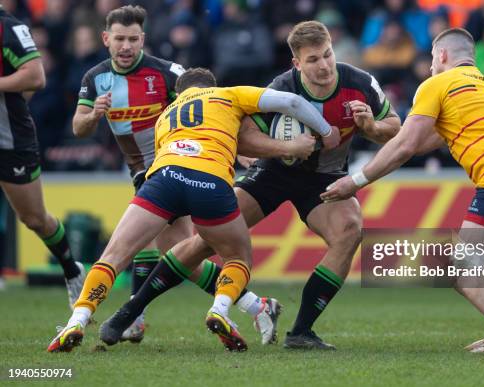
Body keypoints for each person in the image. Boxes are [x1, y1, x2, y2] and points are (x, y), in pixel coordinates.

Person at [100, 20, 401, 351]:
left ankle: (301, 331)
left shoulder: (359, 83)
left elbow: (394, 127)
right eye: (313, 60)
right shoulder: (281, 88)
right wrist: (286, 148)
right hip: (273, 174)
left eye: (327, 55)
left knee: (350, 231)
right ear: (297, 64)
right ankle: (130, 310)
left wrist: (371, 126)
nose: (324, 65)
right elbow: (242, 137)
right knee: (205, 241)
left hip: (326, 177)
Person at [47, 67, 339, 353]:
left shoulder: (165, 116)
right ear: (209, 85)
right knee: (237, 257)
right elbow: (291, 101)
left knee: (113, 256)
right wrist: (323, 132)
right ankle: (221, 309)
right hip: (210, 181)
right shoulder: (228, 94)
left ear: (180, 92)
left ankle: (78, 318)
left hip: (165, 178)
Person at [73, 5, 305, 344]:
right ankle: (256, 305)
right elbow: (78, 127)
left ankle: (135, 318)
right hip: (145, 170)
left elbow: (217, 104)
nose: (126, 47)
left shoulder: (169, 73)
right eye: (120, 39)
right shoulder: (94, 79)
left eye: (133, 39)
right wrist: (93, 115)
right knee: (181, 252)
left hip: (179, 166)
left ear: (143, 40)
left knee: (170, 248)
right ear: (106, 39)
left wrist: (238, 147)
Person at [323, 28, 484, 354]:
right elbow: (419, 142)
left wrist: (356, 180)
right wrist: (374, 129)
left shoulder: (437, 83)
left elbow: (405, 146)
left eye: (433, 59)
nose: (431, 67)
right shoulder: (483, 86)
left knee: (458, 266)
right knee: (480, 260)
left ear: (442, 56)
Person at [0, 3, 85, 307]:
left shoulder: (10, 29)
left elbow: (36, 77)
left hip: (10, 141)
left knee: (34, 218)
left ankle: (71, 268)